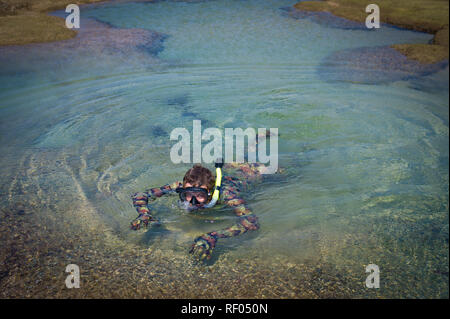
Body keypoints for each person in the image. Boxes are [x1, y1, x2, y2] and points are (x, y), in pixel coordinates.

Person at [130, 161, 272, 261]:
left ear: (209, 193)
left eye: (200, 196)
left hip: (254, 174)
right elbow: (140, 195)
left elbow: (251, 222)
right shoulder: (179, 186)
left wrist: (213, 235)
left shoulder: (228, 195)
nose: (192, 202)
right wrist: (144, 214)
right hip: (232, 168)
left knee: (279, 172)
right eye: (188, 195)